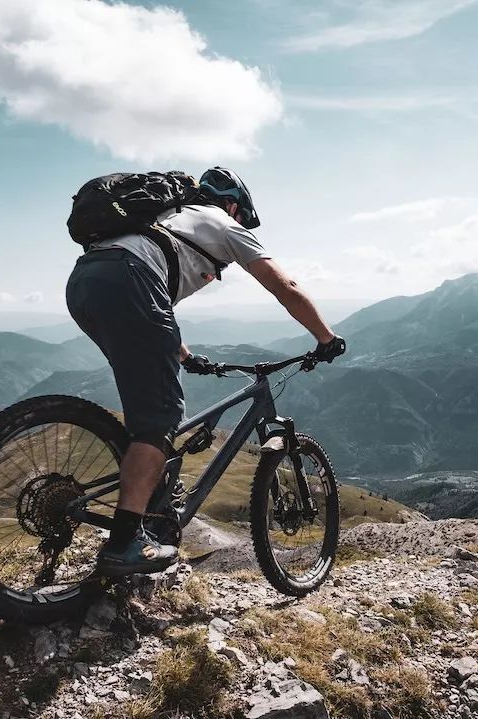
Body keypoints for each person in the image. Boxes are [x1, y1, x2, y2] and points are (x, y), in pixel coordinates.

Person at [65, 167, 346, 576]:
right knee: (158, 421)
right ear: (233, 205)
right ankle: (124, 543)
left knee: (150, 404)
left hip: (86, 281)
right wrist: (326, 338)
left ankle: (149, 510)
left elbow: (155, 306)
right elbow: (284, 285)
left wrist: (184, 354)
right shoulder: (222, 222)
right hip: (127, 281)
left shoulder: (161, 221)